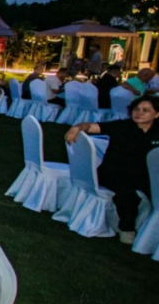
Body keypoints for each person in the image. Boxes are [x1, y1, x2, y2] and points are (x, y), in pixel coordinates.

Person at [66, 95, 159, 244]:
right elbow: (90, 126)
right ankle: (126, 229)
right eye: (136, 109)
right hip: (113, 172)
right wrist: (77, 127)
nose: (139, 113)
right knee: (128, 194)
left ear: (156, 114)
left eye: (145, 110)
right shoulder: (121, 126)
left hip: (143, 175)